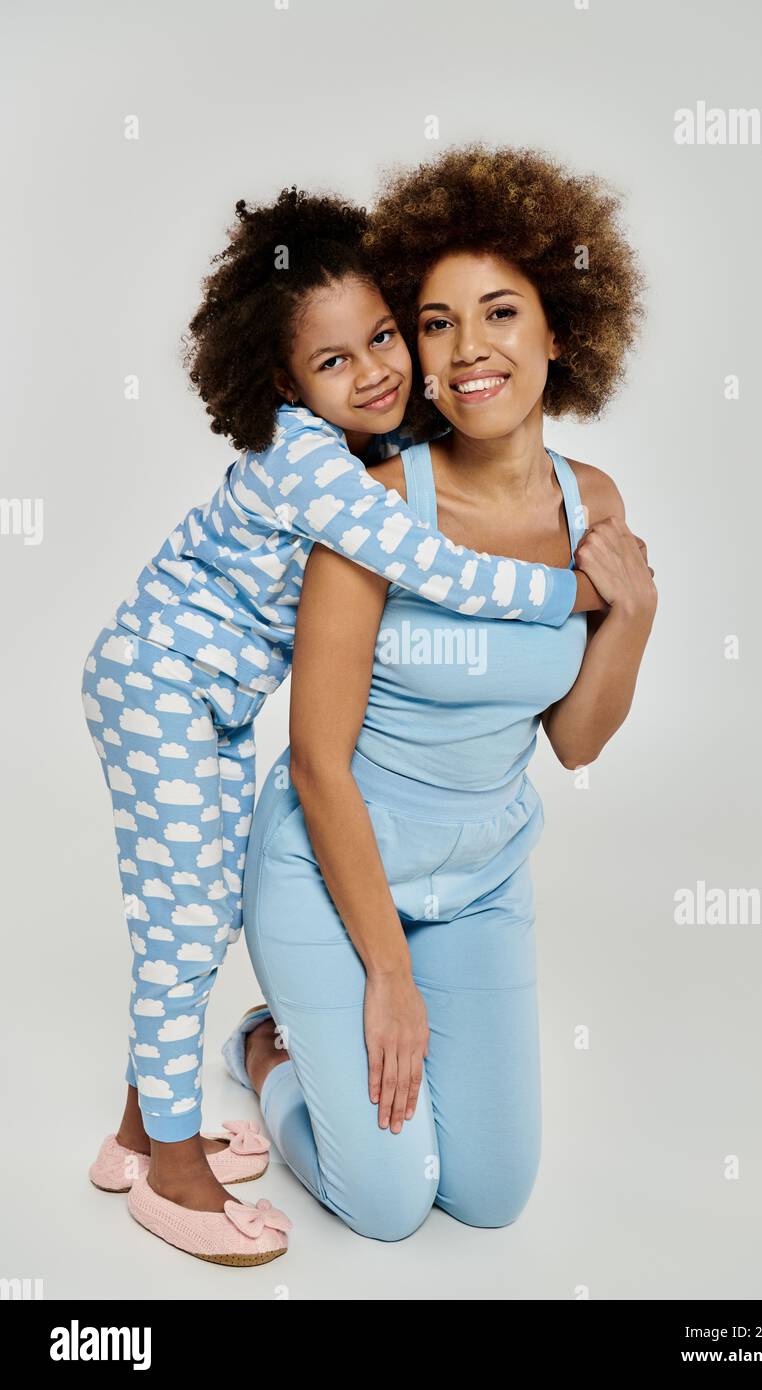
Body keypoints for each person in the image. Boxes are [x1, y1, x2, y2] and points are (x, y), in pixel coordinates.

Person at [81, 185, 606, 1265]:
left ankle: (138, 1134)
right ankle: (171, 1167)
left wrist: (625, 602)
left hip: (217, 699)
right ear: (281, 382)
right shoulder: (321, 472)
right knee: (181, 925)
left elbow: (572, 729)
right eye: (336, 361)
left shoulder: (380, 446)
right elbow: (433, 566)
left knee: (203, 908)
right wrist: (571, 597)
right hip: (161, 684)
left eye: (381, 337)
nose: (375, 370)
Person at [221, 144, 655, 1242]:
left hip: (477, 882)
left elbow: (573, 741)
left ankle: (343, 1031)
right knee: (388, 1201)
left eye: (499, 313)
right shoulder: (371, 513)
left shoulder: (589, 500)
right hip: (330, 879)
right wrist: (386, 978)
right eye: (434, 322)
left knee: (489, 1192)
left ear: (557, 330)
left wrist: (633, 616)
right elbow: (317, 763)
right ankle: (267, 1047)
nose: (467, 351)